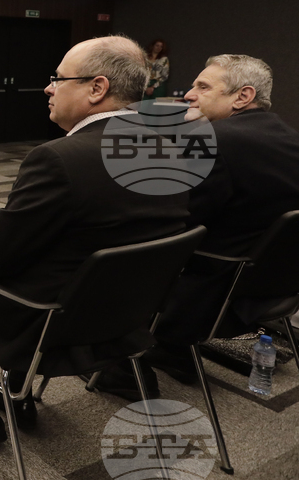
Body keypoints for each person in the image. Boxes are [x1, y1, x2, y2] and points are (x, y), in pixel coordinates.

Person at [0, 36, 189, 443]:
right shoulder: (168, 151)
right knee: (43, 264)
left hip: (47, 322)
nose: (48, 87)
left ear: (97, 88)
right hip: (124, 319)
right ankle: (16, 396)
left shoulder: (59, 158)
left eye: (58, 78)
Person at [99, 55, 299, 395]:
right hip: (271, 290)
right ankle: (173, 350)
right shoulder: (290, 139)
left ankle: (122, 366)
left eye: (203, 87)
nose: (189, 95)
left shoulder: (212, 141)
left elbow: (172, 223)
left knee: (106, 254)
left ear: (242, 96)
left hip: (207, 295)